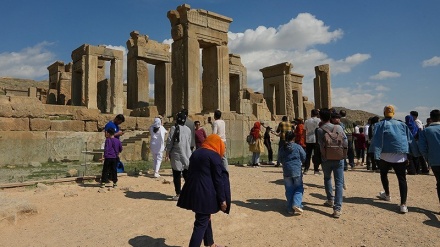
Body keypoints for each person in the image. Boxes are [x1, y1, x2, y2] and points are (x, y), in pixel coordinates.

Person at [177, 134, 231, 247]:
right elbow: (218, 180)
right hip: (205, 194)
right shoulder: (214, 156)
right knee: (201, 222)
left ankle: (210, 243)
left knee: (205, 217)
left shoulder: (196, 153)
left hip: (194, 191)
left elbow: (189, 172)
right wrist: (222, 200)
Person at [369, 105, 420, 214]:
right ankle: (403, 205)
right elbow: (410, 139)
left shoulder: (379, 125)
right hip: (400, 156)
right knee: (402, 179)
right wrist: (415, 154)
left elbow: (375, 140)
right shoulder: (402, 124)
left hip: (384, 155)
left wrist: (373, 152)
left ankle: (387, 195)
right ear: (394, 113)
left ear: (384, 113)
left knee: (383, 174)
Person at [317, 109, 347, 218]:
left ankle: (330, 200)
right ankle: (337, 209)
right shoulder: (338, 127)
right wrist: (343, 154)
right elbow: (345, 141)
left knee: (327, 178)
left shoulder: (320, 130)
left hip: (326, 158)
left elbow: (320, 145)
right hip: (339, 158)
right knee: (339, 183)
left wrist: (323, 156)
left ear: (320, 118)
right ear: (330, 117)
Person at [278, 130, 306, 215]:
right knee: (298, 188)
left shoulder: (282, 148)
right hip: (296, 169)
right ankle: (297, 204)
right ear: (294, 138)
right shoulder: (297, 147)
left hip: (286, 170)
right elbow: (304, 156)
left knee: (289, 189)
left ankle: (290, 208)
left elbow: (279, 159)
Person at [166, 112, 192, 201]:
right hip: (187, 154)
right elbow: (189, 142)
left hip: (177, 154)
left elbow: (170, 141)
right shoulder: (188, 130)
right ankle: (189, 192)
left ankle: (178, 193)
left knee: (176, 175)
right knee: (186, 174)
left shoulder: (174, 128)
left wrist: (167, 153)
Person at [418, 109, 440, 212]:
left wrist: (428, 158)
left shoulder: (426, 131)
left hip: (435, 161)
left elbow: (422, 148)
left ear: (430, 118)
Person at [304, 109, 322, 175]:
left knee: (308, 155)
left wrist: (304, 138)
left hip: (308, 139)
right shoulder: (319, 121)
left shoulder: (307, 121)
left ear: (311, 113)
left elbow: (304, 130)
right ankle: (316, 169)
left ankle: (306, 169)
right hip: (317, 139)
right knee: (316, 155)